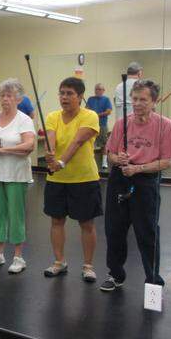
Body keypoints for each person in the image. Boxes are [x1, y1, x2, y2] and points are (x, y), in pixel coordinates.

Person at [102, 80, 171, 291]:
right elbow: (110, 154)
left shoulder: (166, 126)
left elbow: (166, 162)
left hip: (146, 180)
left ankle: (153, 281)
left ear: (154, 101)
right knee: (114, 230)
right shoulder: (121, 124)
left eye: (143, 99)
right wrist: (119, 159)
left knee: (147, 232)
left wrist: (138, 168)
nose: (137, 104)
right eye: (134, 99)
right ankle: (115, 274)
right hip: (120, 178)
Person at [43, 77, 102, 282]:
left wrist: (60, 162)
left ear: (80, 96)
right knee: (56, 221)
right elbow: (51, 139)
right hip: (57, 180)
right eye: (61, 93)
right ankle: (59, 262)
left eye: (69, 93)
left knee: (86, 223)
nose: (64, 97)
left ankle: (88, 266)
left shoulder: (90, 116)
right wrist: (50, 153)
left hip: (84, 179)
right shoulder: (52, 116)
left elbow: (77, 142)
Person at [0, 78, 36, 274]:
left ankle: (19, 257)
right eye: (2, 95)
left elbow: (29, 145)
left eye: (9, 95)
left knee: (16, 214)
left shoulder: (24, 120)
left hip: (16, 174)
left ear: (18, 98)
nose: (5, 99)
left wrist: (4, 150)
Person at [85, 83, 113, 171]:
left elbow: (108, 111)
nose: (98, 91)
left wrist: (96, 115)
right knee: (90, 143)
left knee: (104, 144)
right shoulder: (90, 99)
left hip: (102, 125)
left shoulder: (106, 99)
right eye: (96, 89)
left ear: (103, 91)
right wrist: (89, 113)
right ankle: (90, 161)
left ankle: (104, 162)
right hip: (91, 125)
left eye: (100, 89)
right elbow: (86, 109)